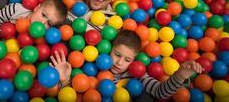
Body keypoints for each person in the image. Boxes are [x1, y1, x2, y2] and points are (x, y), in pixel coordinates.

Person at [50, 30, 204, 100]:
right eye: (117, 55)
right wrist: (64, 81)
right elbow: (73, 97)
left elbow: (160, 93)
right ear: (109, 48)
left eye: (127, 59)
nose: (119, 62)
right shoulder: (92, 69)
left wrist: (180, 75)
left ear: (134, 61)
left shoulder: (137, 76)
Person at [0, 0, 67, 50]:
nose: (42, 22)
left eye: (49, 24)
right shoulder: (16, 10)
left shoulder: (42, 39)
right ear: (37, 8)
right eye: (43, 15)